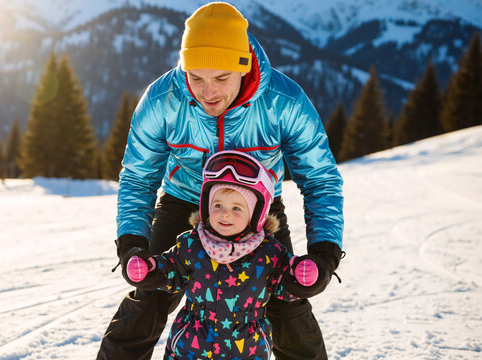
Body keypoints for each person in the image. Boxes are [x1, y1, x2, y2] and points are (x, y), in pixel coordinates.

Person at [97, 2, 344, 359]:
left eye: (221, 78)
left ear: (243, 66)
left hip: (256, 209)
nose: (207, 92)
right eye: (195, 77)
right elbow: (138, 176)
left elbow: (320, 179)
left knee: (287, 305)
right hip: (183, 200)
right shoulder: (162, 100)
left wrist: (325, 253)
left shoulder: (283, 102)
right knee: (148, 298)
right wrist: (133, 242)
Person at [120, 151, 322, 359]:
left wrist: (299, 276)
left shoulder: (268, 252)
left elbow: (283, 283)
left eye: (236, 208)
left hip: (247, 350)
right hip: (191, 348)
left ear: (255, 214)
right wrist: (150, 269)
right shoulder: (192, 244)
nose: (225, 213)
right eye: (218, 206)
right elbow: (171, 270)